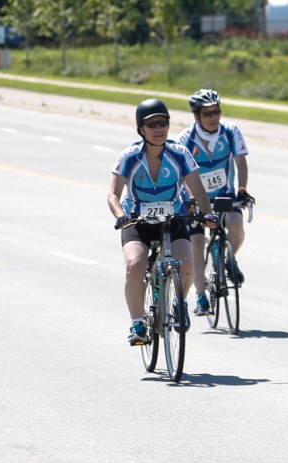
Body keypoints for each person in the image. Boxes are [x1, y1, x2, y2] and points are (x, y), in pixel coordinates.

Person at [107, 98, 218, 346]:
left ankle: (180, 301)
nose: (159, 129)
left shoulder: (180, 154)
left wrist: (208, 213)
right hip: (137, 221)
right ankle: (137, 322)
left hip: (173, 218)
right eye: (152, 124)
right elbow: (112, 194)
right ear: (141, 130)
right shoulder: (130, 156)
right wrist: (120, 216)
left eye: (163, 123)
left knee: (187, 265)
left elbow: (199, 192)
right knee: (135, 265)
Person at [176, 89, 253, 316]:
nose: (213, 117)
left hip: (223, 194)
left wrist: (242, 190)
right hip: (196, 198)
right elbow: (181, 173)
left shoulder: (230, 132)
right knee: (197, 244)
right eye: (207, 113)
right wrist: (191, 199)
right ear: (197, 116)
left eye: (216, 111)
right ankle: (201, 297)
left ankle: (228, 257)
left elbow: (241, 163)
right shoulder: (185, 139)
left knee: (236, 224)